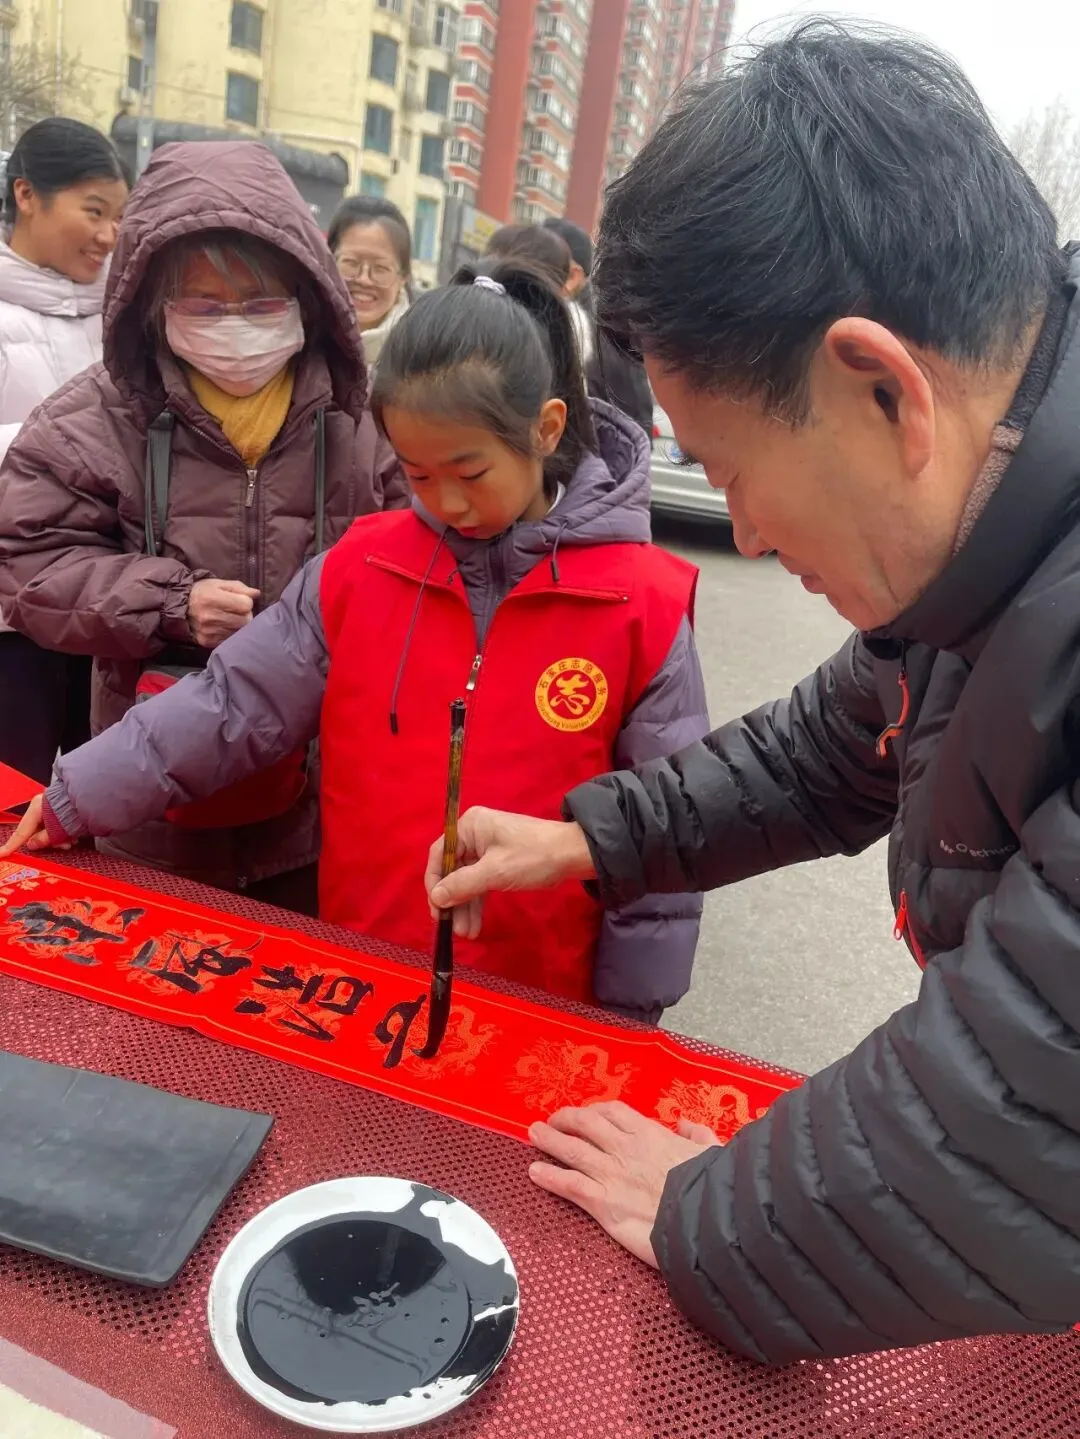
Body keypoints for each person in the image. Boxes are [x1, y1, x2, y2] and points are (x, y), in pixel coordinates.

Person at [419, 23, 1080, 1361]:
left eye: (729, 470)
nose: (750, 536)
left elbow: (1032, 1113)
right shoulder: (989, 536)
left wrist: (706, 1208)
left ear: (884, 389)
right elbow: (825, 748)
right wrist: (583, 837)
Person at [1, 258, 708, 1019]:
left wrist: (630, 1016)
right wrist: (79, 793)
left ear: (546, 428)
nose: (447, 503)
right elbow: (230, 703)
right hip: (358, 984)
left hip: (543, 1001)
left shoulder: (642, 603)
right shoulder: (359, 569)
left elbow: (662, 825)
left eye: (470, 472)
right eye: (418, 474)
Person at [0, 140, 405, 911]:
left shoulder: (363, 419)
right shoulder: (95, 418)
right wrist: (169, 601)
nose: (236, 327)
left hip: (322, 814)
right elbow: (26, 563)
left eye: (259, 302)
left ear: (305, 294)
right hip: (149, 809)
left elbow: (418, 563)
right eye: (205, 307)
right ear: (152, 304)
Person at [0, 117, 129, 784]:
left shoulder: (121, 320)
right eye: (94, 211)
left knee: (93, 805)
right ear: (27, 194)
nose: (109, 235)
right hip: (9, 617)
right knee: (11, 801)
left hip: (100, 609)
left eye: (118, 218)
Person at [543, 216, 654, 435]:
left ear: (573, 275)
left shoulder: (609, 336)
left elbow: (636, 430)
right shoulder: (549, 324)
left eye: (537, 264)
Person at [327, 195, 411, 367]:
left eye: (380, 268)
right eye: (351, 263)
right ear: (328, 262)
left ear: (403, 277)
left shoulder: (420, 357)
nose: (364, 280)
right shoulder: (294, 339)